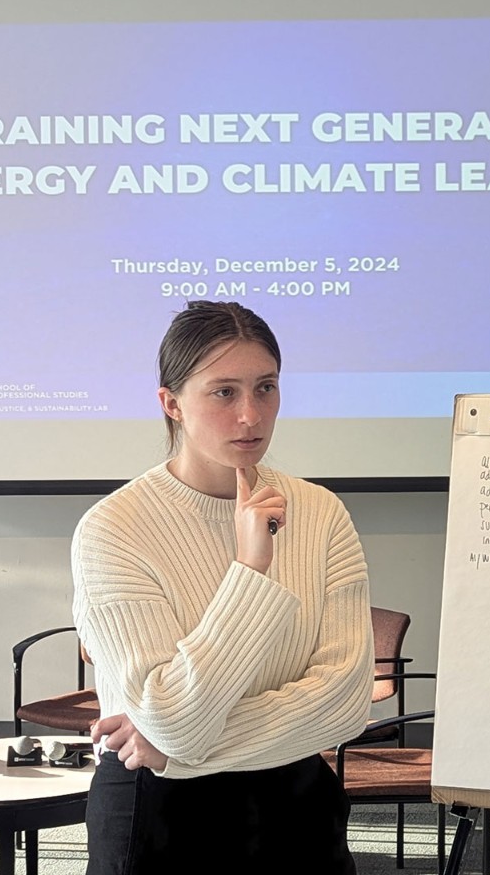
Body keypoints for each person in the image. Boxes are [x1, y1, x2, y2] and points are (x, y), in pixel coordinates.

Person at [71, 300, 375, 874]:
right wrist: (251, 570)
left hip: (293, 800)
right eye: (224, 392)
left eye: (266, 388)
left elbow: (345, 700)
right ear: (171, 403)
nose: (250, 416)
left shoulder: (321, 512)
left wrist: (179, 752)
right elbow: (171, 715)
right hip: (156, 809)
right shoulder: (114, 528)